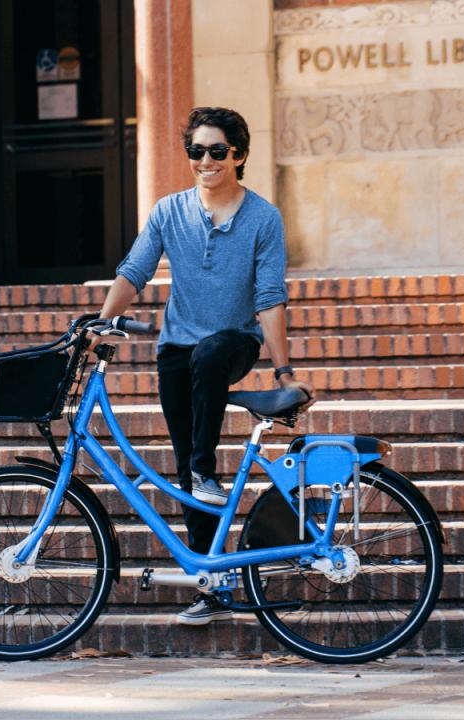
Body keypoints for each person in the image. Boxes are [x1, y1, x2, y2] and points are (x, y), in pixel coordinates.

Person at [95, 106, 315, 626]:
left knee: (212, 365)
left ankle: (202, 470)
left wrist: (283, 371)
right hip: (177, 350)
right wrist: (102, 321)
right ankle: (211, 582)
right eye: (197, 151)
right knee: (188, 461)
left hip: (235, 341)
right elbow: (135, 271)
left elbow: (269, 296)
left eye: (218, 151)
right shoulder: (169, 211)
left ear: (238, 155)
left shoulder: (262, 217)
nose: (206, 160)